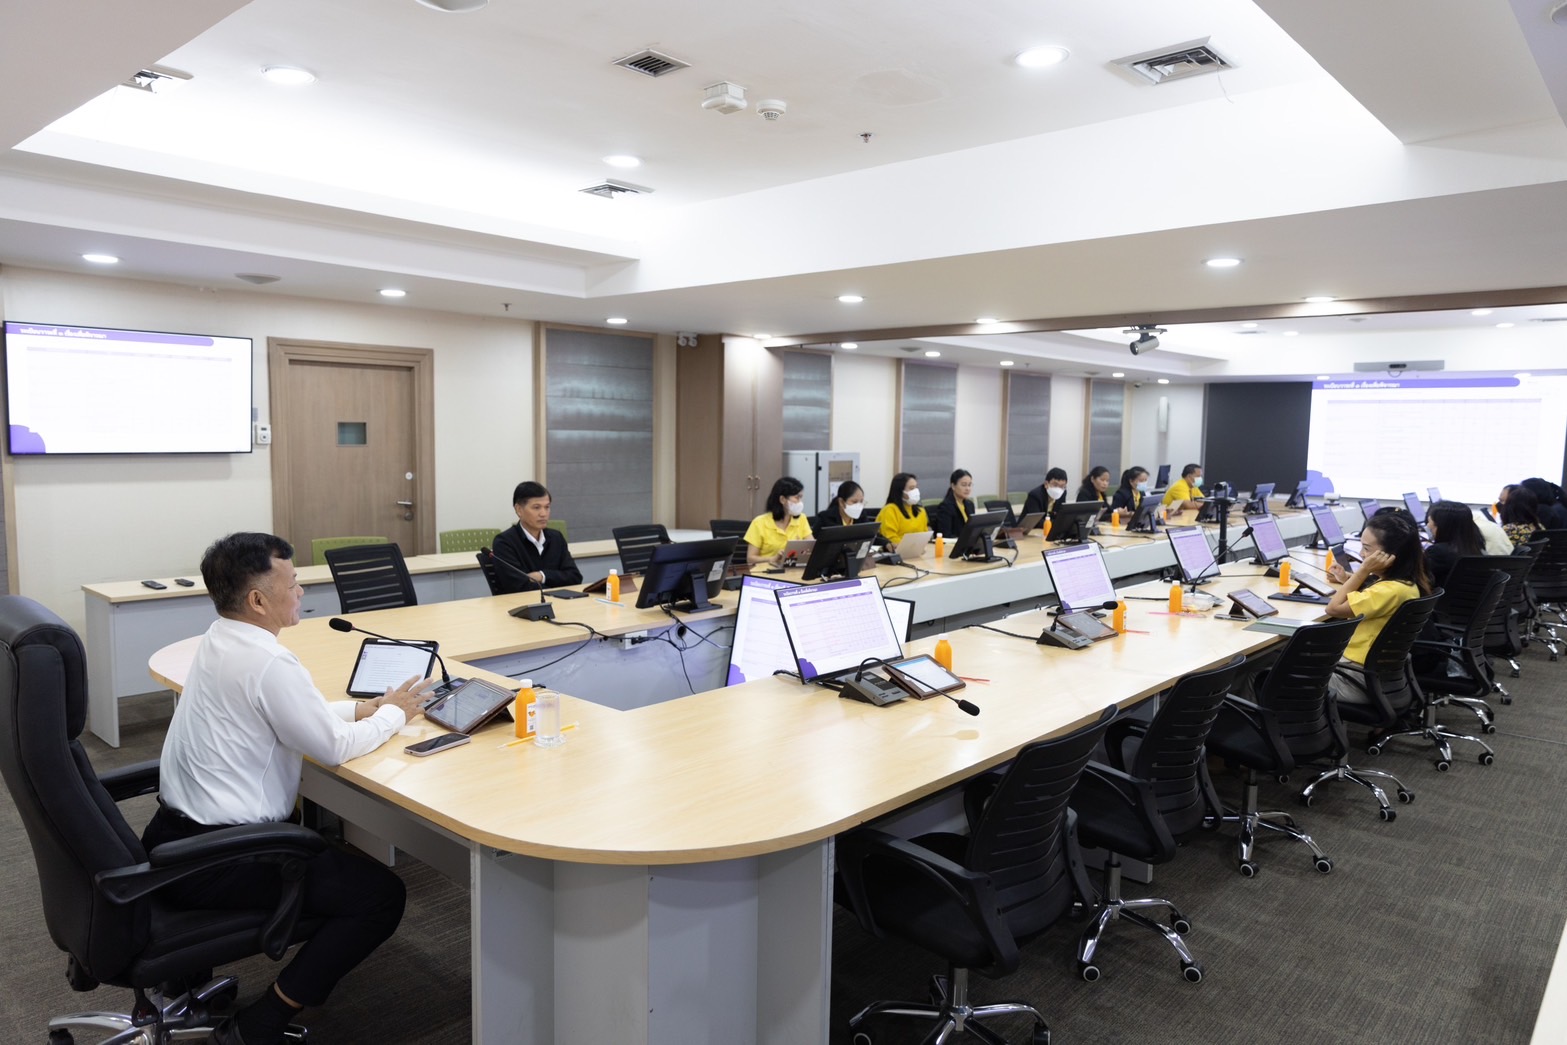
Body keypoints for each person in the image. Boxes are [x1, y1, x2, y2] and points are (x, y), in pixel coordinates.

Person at [143, 533, 438, 1045]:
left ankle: (193, 979)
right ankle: (262, 1022)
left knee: (333, 869)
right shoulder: (269, 662)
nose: (302, 592)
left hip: (172, 841)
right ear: (259, 600)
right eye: (294, 583)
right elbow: (331, 748)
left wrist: (360, 709)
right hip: (222, 859)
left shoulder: (220, 638)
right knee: (379, 896)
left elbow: (279, 713)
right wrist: (394, 715)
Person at [1324, 512, 1431, 705]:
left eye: (1366, 548)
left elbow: (1334, 609)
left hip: (1355, 679)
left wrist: (1363, 570)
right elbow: (1374, 594)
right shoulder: (1406, 584)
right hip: (1378, 677)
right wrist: (1348, 579)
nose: (1361, 554)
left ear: (1390, 555)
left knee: (1270, 674)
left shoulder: (1388, 591)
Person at [490, 481, 583, 592]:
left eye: (547, 507)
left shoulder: (556, 538)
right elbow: (518, 587)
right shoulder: (505, 542)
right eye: (536, 507)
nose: (543, 514)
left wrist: (541, 576)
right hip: (523, 602)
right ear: (519, 510)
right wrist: (556, 583)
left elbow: (574, 577)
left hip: (558, 601)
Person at [744, 475, 814, 565]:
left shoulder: (801, 519)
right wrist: (772, 558)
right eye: (797, 497)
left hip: (793, 569)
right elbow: (750, 559)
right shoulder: (759, 523)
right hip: (766, 570)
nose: (800, 502)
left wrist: (804, 551)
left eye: (801, 497)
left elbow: (811, 547)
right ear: (782, 499)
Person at [1424, 500, 1485, 590]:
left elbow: (1418, 578)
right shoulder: (1476, 548)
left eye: (1429, 521)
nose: (1428, 526)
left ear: (1441, 525)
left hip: (1442, 598)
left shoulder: (1438, 552)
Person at [877, 472, 931, 545]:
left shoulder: (921, 511)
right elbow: (890, 538)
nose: (916, 491)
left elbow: (924, 536)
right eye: (911, 488)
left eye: (916, 487)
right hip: (898, 550)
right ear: (900, 491)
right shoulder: (890, 510)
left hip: (918, 549)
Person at [930, 468, 977, 537]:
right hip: (954, 543)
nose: (967, 488)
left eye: (969, 485)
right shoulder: (945, 507)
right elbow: (945, 535)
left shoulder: (970, 505)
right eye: (964, 485)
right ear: (953, 486)